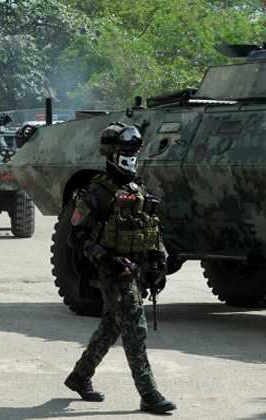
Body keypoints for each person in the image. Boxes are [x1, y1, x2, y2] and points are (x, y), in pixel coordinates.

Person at [64, 122, 175, 415]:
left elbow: (150, 229)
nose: (130, 157)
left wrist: (157, 261)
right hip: (114, 272)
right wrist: (107, 258)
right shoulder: (97, 192)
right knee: (134, 328)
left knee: (111, 326)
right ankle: (148, 394)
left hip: (137, 269)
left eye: (133, 151)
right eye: (125, 151)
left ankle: (79, 377)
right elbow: (75, 236)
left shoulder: (135, 187)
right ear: (111, 153)